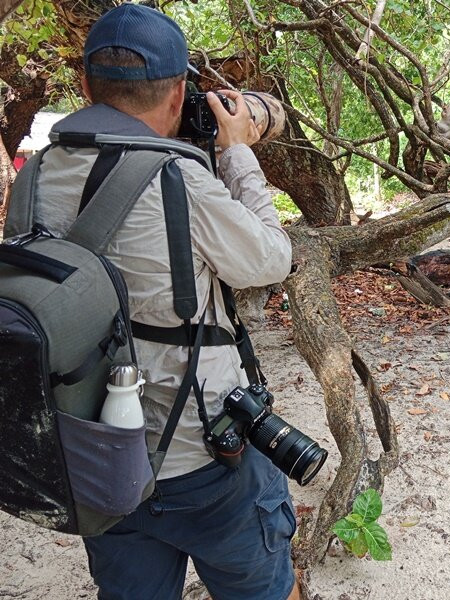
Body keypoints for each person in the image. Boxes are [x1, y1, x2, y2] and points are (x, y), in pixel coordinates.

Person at [30, 4, 298, 599]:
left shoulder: (39, 173)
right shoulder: (181, 177)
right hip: (201, 457)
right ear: (179, 94)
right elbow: (271, 258)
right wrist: (236, 152)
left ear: (84, 85)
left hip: (95, 453)